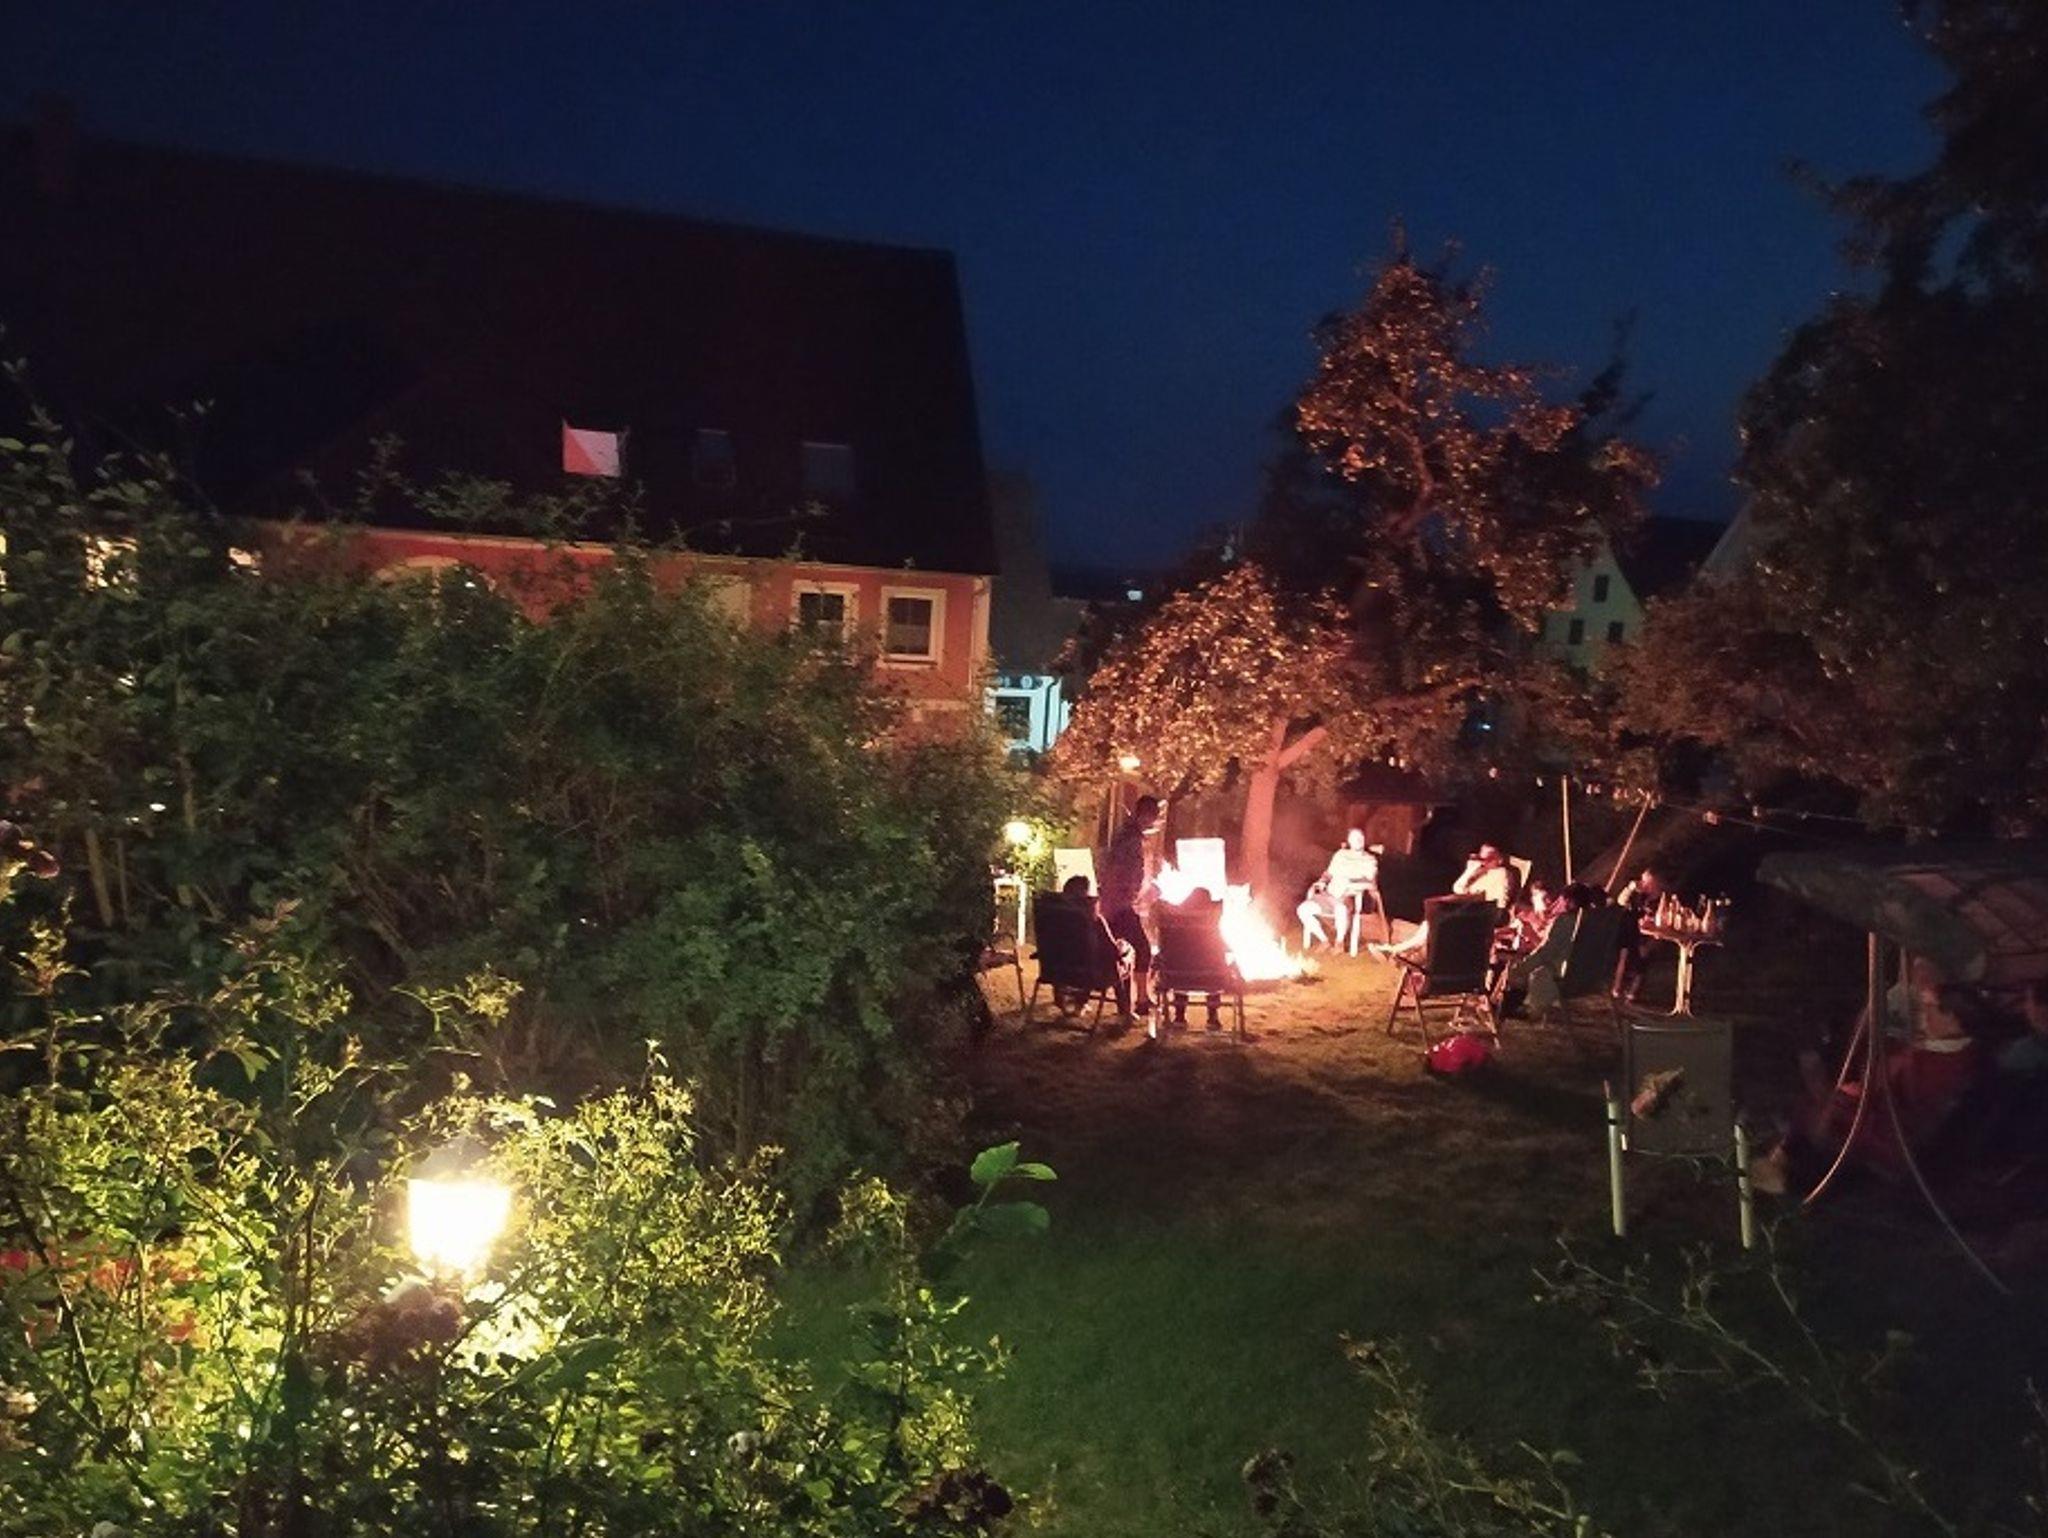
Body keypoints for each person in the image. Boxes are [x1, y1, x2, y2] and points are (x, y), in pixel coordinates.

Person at [1753, 981, 1984, 1194]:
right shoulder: (1942, 1050)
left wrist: (1842, 1095)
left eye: (1931, 1008)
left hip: (1888, 1135)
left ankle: (1791, 1178)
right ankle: (1781, 1163)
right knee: (1821, 1102)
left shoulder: (1946, 1065)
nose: (1923, 1013)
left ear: (1952, 1019)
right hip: (1875, 1115)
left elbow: (1902, 1101)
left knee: (1823, 1107)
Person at [1098, 793, 1165, 1026]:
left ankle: (1128, 1003)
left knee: (1119, 951)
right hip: (1119, 905)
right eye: (1153, 817)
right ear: (1144, 814)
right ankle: (1141, 1000)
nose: (1154, 822)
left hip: (1114, 904)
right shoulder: (1130, 839)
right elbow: (1123, 872)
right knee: (1142, 948)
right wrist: (1135, 893)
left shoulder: (1127, 834)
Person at [1296, 828, 1380, 950]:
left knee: (1340, 908)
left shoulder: (1369, 860)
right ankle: (1324, 940)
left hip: (1348, 897)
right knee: (1303, 909)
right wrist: (1322, 881)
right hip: (1329, 895)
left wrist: (1350, 883)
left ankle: (1339, 943)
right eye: (1354, 838)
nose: (1358, 840)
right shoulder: (1340, 855)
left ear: (1364, 839)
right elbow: (1329, 873)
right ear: (1349, 841)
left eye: (1360, 837)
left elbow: (1370, 882)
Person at [1613, 866, 1665, 1002]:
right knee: (1624, 951)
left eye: (1648, 881)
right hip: (1633, 931)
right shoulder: (1639, 895)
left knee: (1643, 951)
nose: (1644, 884)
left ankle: (1633, 990)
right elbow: (1621, 901)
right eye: (1643, 880)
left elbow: (1663, 921)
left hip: (1651, 935)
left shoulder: (1662, 899)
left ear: (1656, 883)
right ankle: (1617, 987)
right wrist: (1629, 889)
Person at [1451, 844, 1519, 909]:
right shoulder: (1478, 870)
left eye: (1489, 859)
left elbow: (1502, 903)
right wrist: (1472, 869)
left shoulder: (1501, 873)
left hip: (1486, 909)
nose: (1484, 862)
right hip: (1471, 906)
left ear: (1500, 859)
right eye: (1482, 859)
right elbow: (1458, 889)